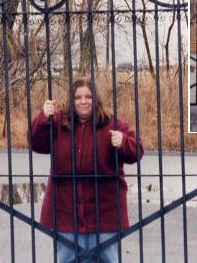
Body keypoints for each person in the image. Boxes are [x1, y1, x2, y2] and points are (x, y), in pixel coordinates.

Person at [29, 76, 144, 262]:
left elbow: (137, 150)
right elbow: (35, 143)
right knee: (67, 259)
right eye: (78, 97)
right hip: (66, 214)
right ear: (71, 100)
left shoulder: (113, 124)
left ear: (95, 99)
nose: (83, 101)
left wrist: (124, 142)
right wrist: (42, 118)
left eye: (88, 96)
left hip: (105, 216)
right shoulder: (57, 121)